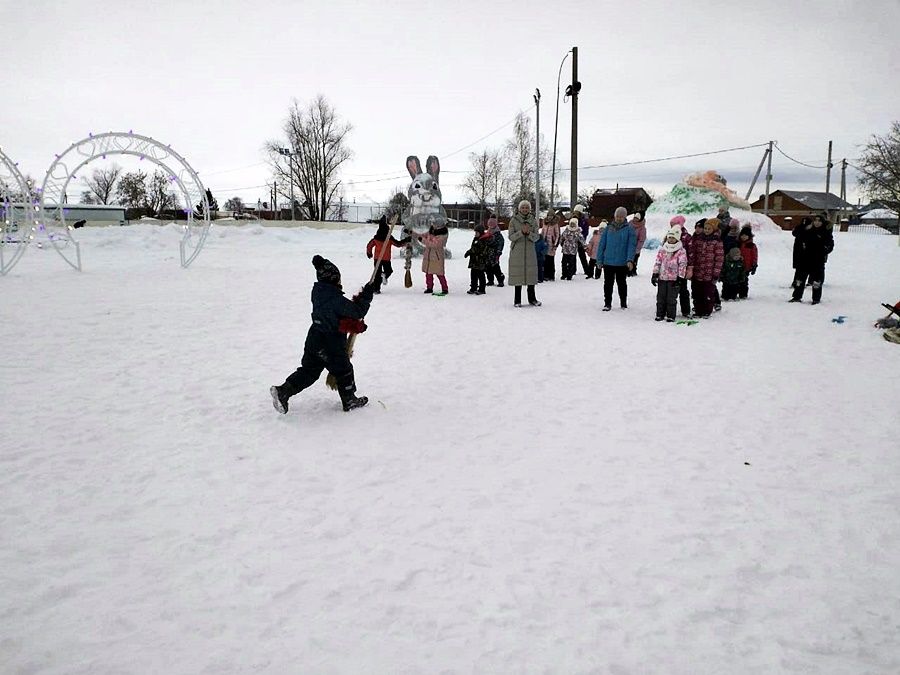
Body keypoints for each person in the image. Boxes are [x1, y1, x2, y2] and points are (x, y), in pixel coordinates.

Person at [270, 255, 374, 414]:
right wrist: (366, 295)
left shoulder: (319, 293)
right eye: (338, 279)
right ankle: (349, 400)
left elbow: (335, 316)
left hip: (315, 338)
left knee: (309, 371)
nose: (340, 282)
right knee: (344, 369)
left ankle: (283, 391)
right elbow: (356, 311)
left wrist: (352, 324)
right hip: (330, 342)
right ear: (333, 279)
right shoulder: (334, 298)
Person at [596, 206, 637, 311]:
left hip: (622, 262)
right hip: (608, 261)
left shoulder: (629, 229)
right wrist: (599, 260)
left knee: (621, 283)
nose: (619, 218)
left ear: (625, 217)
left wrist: (629, 260)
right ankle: (607, 303)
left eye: (621, 217)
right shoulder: (608, 228)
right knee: (608, 283)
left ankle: (623, 303)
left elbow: (631, 246)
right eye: (617, 216)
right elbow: (601, 245)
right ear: (614, 216)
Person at [790, 213, 834, 304]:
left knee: (816, 281)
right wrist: (804, 227)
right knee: (800, 280)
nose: (817, 223)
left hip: (818, 261)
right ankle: (797, 296)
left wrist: (823, 251)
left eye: (819, 221)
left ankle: (816, 299)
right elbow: (797, 234)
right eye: (815, 220)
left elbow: (830, 245)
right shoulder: (808, 230)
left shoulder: (825, 232)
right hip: (805, 260)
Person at [508, 200, 541, 307]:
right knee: (518, 276)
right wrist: (521, 233)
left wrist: (529, 233)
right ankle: (517, 300)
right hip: (517, 252)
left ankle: (532, 299)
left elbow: (537, 237)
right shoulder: (513, 221)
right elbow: (511, 237)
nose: (525, 209)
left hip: (530, 252)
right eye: (523, 207)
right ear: (519, 209)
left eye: (527, 207)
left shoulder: (533, 221)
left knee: (530, 275)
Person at [689, 218, 724, 318]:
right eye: (705, 228)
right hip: (698, 271)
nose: (707, 230)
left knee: (708, 293)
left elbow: (719, 259)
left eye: (709, 228)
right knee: (696, 293)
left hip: (709, 273)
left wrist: (716, 273)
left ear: (714, 229)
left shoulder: (717, 241)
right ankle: (698, 309)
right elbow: (693, 254)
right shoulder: (698, 239)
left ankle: (706, 310)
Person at [651, 227, 688, 322]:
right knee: (661, 297)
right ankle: (660, 314)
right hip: (662, 277)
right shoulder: (663, 249)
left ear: (677, 239)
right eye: (669, 237)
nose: (670, 239)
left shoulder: (681, 251)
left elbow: (682, 265)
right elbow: (658, 262)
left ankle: (671, 315)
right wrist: (655, 273)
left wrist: (680, 277)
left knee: (671, 298)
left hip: (674, 279)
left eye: (673, 238)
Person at [366, 215, 410, 293]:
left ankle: (376, 289)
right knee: (389, 270)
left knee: (377, 274)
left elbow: (369, 245)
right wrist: (406, 240)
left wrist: (369, 253)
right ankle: (385, 275)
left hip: (377, 258)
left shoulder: (376, 238)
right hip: (386, 258)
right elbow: (398, 244)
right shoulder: (389, 238)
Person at [670, 215, 693, 317]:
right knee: (670, 290)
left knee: (683, 290)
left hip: (682, 268)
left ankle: (686, 310)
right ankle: (669, 309)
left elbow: (691, 253)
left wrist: (690, 268)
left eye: (673, 225)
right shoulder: (670, 235)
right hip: (669, 269)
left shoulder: (687, 237)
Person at [418, 222, 449, 295]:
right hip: (429, 257)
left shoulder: (442, 236)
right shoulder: (430, 232)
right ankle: (429, 288)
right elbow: (422, 235)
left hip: (436, 258)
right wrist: (413, 232)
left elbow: (434, 245)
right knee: (428, 273)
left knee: (440, 274)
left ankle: (445, 288)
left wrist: (423, 240)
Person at [464, 223, 493, 295]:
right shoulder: (476, 239)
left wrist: (471, 252)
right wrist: (469, 252)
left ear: (481, 232)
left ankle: (482, 289)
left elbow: (480, 250)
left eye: (477, 232)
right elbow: (473, 248)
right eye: (475, 232)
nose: (475, 234)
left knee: (480, 275)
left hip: (480, 261)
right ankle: (473, 287)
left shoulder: (484, 240)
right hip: (474, 261)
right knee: (473, 274)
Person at [485, 216, 506, 287]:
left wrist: (499, 251)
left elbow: (501, 243)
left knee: (496, 267)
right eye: (489, 224)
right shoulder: (488, 232)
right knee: (488, 268)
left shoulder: (498, 234)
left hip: (495, 253)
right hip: (488, 253)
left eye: (492, 224)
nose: (491, 225)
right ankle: (490, 280)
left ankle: (500, 280)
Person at [738, 225, 758, 299]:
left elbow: (754, 256)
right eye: (742, 235)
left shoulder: (752, 245)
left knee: (744, 281)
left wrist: (754, 265)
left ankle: (743, 294)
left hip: (746, 267)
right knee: (737, 280)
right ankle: (737, 291)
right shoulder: (738, 244)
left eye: (745, 235)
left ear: (749, 236)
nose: (743, 237)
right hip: (738, 266)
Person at [572, 204, 591, 275]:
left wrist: (582, 239)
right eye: (574, 212)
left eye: (577, 212)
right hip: (573, 241)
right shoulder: (573, 220)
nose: (575, 214)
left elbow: (585, 231)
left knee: (582, 256)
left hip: (580, 241)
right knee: (572, 256)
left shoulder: (583, 221)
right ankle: (572, 270)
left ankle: (587, 270)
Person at [542, 211, 561, 281]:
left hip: (552, 244)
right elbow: (543, 232)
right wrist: (541, 240)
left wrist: (555, 244)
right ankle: (545, 275)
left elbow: (557, 234)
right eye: (548, 216)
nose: (549, 217)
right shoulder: (545, 223)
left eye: (551, 216)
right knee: (545, 260)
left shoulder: (555, 224)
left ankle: (551, 275)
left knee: (550, 260)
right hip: (545, 244)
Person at [628, 212, 647, 277]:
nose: (635, 219)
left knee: (634, 260)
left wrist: (637, 249)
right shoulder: (630, 223)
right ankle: (626, 271)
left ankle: (633, 271)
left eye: (637, 218)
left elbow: (641, 240)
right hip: (627, 246)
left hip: (635, 247)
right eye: (634, 217)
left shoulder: (642, 228)